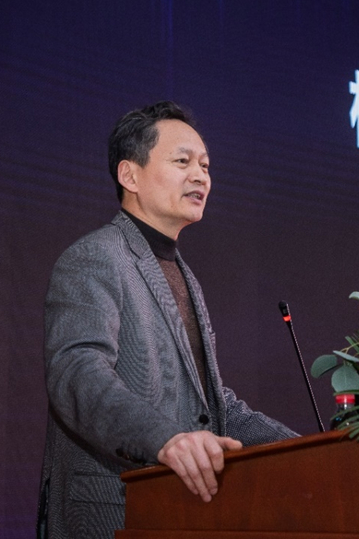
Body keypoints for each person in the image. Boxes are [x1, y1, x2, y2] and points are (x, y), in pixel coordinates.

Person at [36, 101, 298, 539]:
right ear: (130, 175)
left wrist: (304, 450)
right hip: (112, 513)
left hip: (178, 512)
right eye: (182, 162)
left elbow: (212, 405)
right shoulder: (95, 257)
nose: (201, 176)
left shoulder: (183, 274)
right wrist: (165, 438)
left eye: (205, 166)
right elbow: (77, 373)